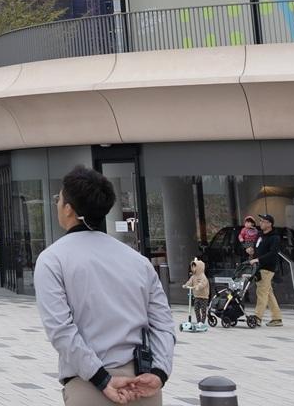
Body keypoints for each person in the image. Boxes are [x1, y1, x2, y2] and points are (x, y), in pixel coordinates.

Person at [34, 166, 173, 404]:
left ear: (68, 209)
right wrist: (159, 373)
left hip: (89, 385)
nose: (57, 204)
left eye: (59, 199)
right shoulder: (138, 261)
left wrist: (102, 379)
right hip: (142, 384)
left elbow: (61, 330)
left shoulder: (52, 260)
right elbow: (163, 323)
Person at [250, 213, 283, 327]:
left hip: (267, 268)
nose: (261, 223)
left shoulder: (274, 237)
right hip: (259, 267)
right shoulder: (260, 234)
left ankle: (257, 317)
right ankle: (277, 318)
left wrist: (258, 259)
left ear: (270, 224)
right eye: (260, 221)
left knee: (261, 292)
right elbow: (257, 248)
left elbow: (273, 253)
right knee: (268, 293)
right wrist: (252, 251)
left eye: (263, 221)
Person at [181, 259, 210, 333]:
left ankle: (202, 323)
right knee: (196, 309)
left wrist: (198, 287)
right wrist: (186, 285)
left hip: (203, 296)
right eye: (192, 267)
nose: (193, 269)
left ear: (199, 267)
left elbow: (203, 283)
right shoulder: (193, 277)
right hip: (196, 295)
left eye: (195, 267)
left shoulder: (203, 276)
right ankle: (198, 321)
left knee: (203, 310)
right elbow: (190, 282)